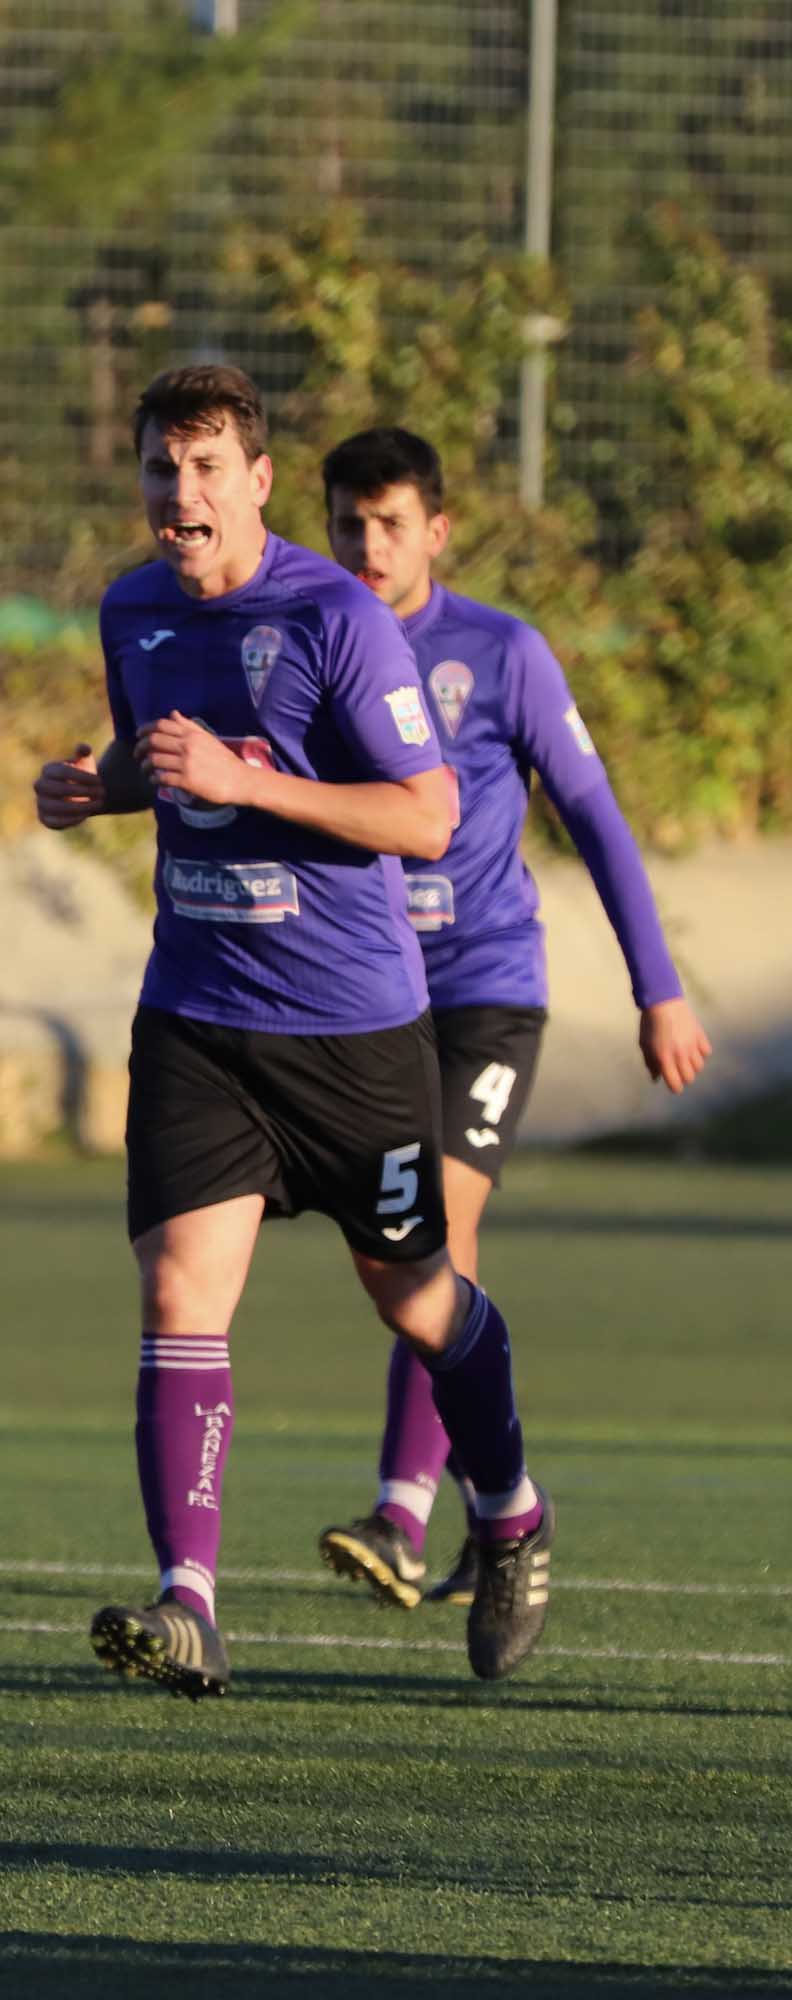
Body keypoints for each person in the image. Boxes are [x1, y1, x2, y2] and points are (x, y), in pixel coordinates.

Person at [32, 366, 554, 1697]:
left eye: (207, 470)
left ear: (259, 483)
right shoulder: (133, 609)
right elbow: (157, 756)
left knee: (416, 1295)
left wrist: (253, 780)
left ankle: (507, 1512)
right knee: (177, 1295)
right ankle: (189, 1602)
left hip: (353, 1034)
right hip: (199, 1021)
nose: (180, 494)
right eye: (161, 468)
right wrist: (101, 787)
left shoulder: (335, 618)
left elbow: (426, 815)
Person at [309, 426, 710, 1609]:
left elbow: (595, 814)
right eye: (348, 523)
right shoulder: (314, 641)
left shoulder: (501, 651)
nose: (368, 546)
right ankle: (503, 1505)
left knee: (433, 1226)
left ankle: (402, 1509)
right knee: (398, 1255)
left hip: (486, 987)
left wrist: (659, 985)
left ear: (437, 530)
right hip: (368, 995)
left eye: (391, 523)